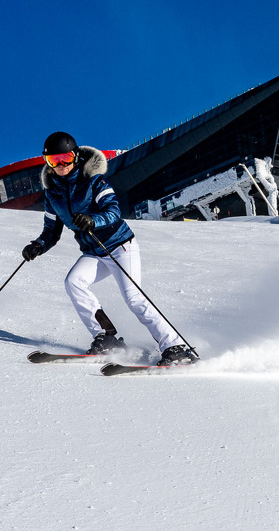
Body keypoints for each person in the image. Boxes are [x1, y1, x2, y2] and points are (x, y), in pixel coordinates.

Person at [22, 131, 198, 366]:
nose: (61, 165)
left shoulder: (94, 182)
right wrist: (38, 246)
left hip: (119, 246)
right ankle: (106, 337)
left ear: (75, 157)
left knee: (133, 297)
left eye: (65, 158)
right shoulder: (52, 195)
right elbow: (51, 232)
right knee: (74, 282)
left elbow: (114, 211)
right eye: (54, 160)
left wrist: (93, 220)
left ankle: (175, 346)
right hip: (94, 252)